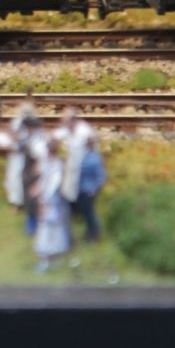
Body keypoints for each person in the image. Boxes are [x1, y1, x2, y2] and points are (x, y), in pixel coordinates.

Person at [57, 106, 106, 243]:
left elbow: (98, 173)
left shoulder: (85, 136)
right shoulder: (72, 130)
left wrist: (94, 188)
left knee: (88, 211)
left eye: (65, 121)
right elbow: (60, 134)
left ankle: (94, 234)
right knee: (76, 205)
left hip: (87, 186)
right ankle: (84, 230)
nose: (64, 123)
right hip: (79, 179)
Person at [32, 144, 72, 272]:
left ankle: (54, 258)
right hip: (46, 201)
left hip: (54, 203)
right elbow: (42, 180)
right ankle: (45, 257)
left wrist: (44, 200)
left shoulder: (57, 166)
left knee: (54, 229)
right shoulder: (46, 164)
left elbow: (53, 185)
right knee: (44, 228)